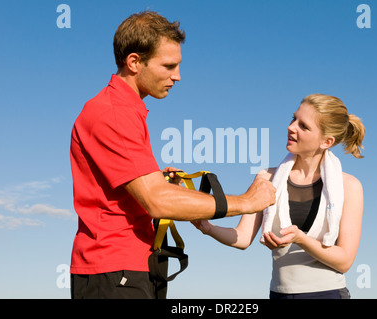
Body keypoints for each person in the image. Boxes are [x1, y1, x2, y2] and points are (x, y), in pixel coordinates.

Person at [69, 11, 276, 299]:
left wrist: (160, 182)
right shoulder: (114, 112)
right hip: (114, 271)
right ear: (134, 62)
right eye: (168, 66)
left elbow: (144, 192)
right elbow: (156, 201)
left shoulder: (125, 109)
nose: (177, 76)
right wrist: (246, 202)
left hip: (130, 267)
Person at [192, 93, 365, 299]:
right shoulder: (267, 177)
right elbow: (243, 238)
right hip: (279, 294)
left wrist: (301, 239)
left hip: (328, 294)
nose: (291, 127)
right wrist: (208, 228)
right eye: (293, 119)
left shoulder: (349, 186)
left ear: (326, 141)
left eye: (304, 126)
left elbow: (344, 261)